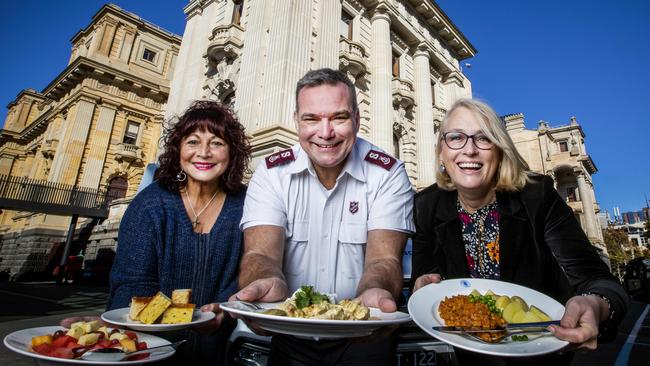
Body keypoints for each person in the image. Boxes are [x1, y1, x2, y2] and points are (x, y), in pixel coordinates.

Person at [410, 98, 628, 365]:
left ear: (500, 151)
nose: (469, 150)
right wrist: (422, 285)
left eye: (484, 138)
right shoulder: (426, 205)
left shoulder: (538, 195)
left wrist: (597, 303)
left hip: (541, 352)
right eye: (456, 137)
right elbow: (422, 278)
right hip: (469, 354)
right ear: (441, 152)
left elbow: (601, 283)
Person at [233, 68, 414, 365]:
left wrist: (374, 293)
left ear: (356, 118)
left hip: (364, 336)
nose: (325, 132)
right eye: (312, 119)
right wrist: (264, 281)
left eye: (339, 118)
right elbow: (260, 252)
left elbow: (384, 259)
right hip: (289, 333)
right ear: (297, 121)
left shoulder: (388, 173)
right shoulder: (271, 173)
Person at [61, 100, 251, 365]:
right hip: (151, 351)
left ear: (232, 152)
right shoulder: (150, 203)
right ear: (178, 150)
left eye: (217, 143)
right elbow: (131, 282)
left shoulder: (247, 203)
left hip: (223, 350)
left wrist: (223, 311)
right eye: (193, 142)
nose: (204, 152)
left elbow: (247, 273)